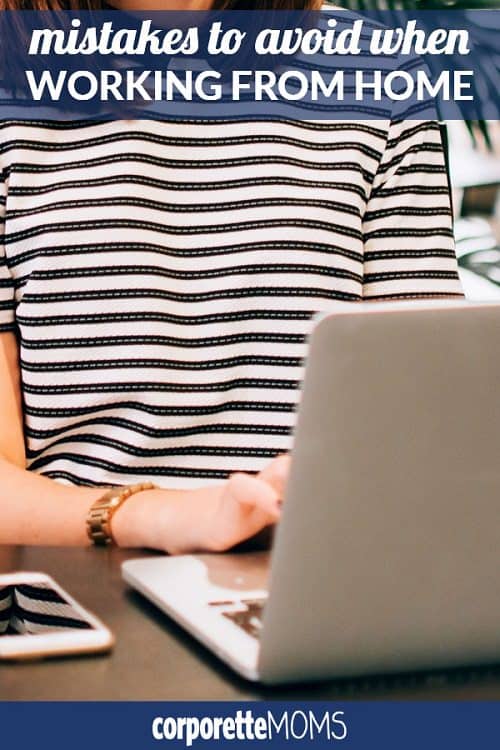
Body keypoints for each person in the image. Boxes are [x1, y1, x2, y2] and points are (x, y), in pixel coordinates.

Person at [0, 0, 463, 553]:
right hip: (95, 620)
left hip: (332, 598)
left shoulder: (382, 75)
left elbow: (430, 419)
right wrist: (162, 517)